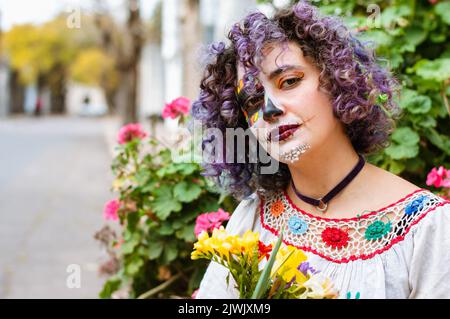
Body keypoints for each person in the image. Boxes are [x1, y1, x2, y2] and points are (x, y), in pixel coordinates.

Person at [191, 1, 450, 299]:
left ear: (337, 79)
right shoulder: (251, 221)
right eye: (252, 101)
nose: (269, 109)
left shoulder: (427, 230)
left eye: (289, 82)